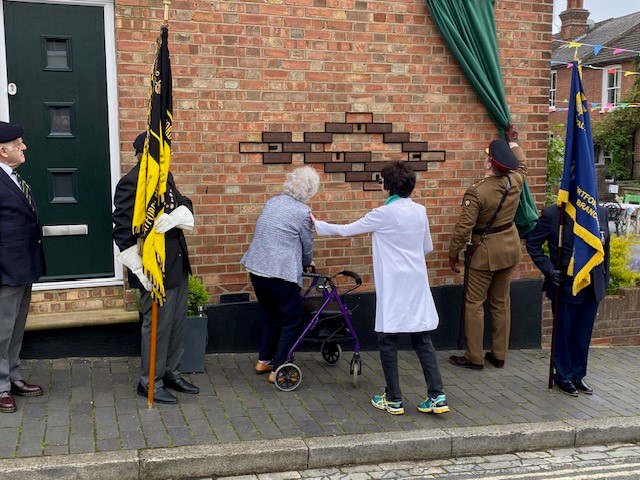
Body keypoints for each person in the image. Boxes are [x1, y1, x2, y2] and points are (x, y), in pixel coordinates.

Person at [312, 161, 449, 416]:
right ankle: (437, 396)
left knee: (388, 340)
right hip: (417, 283)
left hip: (394, 285)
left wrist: (318, 224)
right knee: (422, 338)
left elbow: (347, 231)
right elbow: (426, 247)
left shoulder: (383, 214)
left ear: (388, 185)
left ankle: (394, 398)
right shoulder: (420, 211)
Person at [113, 132, 199, 405]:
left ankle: (171, 373)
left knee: (175, 324)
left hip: (177, 264)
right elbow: (122, 232)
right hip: (153, 269)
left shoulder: (166, 178)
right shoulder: (131, 183)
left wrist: (177, 216)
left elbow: (185, 202)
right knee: (157, 327)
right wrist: (141, 271)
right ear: (145, 155)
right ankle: (149, 382)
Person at [448, 125, 526, 370]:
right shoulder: (515, 181)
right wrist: (513, 142)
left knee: (474, 303)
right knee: (501, 303)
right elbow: (521, 165)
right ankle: (499, 354)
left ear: (488, 164)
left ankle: (474, 357)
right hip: (509, 247)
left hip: (485, 252)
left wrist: (453, 253)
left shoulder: (478, 191)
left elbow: (464, 227)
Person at [240, 166, 320, 384]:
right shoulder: (303, 213)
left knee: (270, 315)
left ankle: (264, 360)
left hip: (257, 267)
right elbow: (307, 244)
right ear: (310, 191)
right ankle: (280, 367)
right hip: (280, 272)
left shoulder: (272, 202)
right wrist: (307, 262)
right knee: (292, 318)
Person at [526, 205, 610, 396]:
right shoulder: (555, 214)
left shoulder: (600, 212)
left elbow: (605, 250)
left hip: (591, 286)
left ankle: (578, 375)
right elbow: (533, 243)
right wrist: (548, 269)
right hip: (566, 285)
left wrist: (603, 282)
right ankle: (563, 375)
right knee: (563, 333)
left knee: (583, 333)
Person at [0, 121, 45, 414]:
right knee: (1, 329)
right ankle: (0, 386)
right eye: (18, 144)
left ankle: (12, 375)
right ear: (3, 151)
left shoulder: (14, 177)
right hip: (4, 269)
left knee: (15, 327)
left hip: (23, 266)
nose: (23, 147)